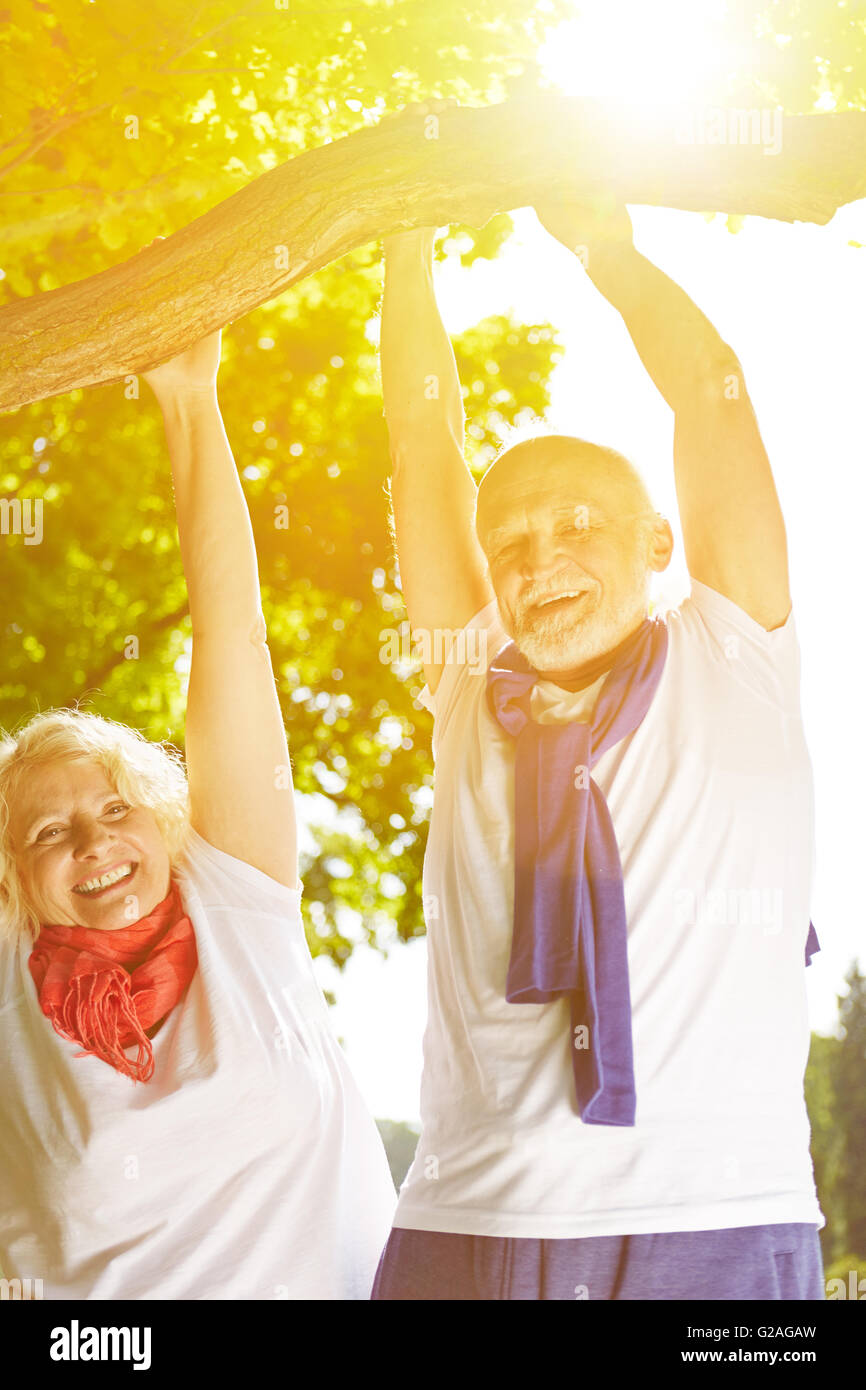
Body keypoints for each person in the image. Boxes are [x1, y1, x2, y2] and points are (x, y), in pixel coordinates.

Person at [371, 101, 824, 1301]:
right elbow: (423, 443)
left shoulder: (734, 646)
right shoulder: (466, 680)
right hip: (472, 1216)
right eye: (509, 541)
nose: (538, 559)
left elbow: (711, 390)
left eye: (577, 525)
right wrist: (401, 239)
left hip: (714, 1219)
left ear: (656, 540)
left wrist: (606, 253)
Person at [0, 326, 396, 1299]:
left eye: (116, 806)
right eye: (49, 831)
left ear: (166, 821)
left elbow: (231, 630)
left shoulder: (236, 894)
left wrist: (188, 396)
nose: (94, 840)